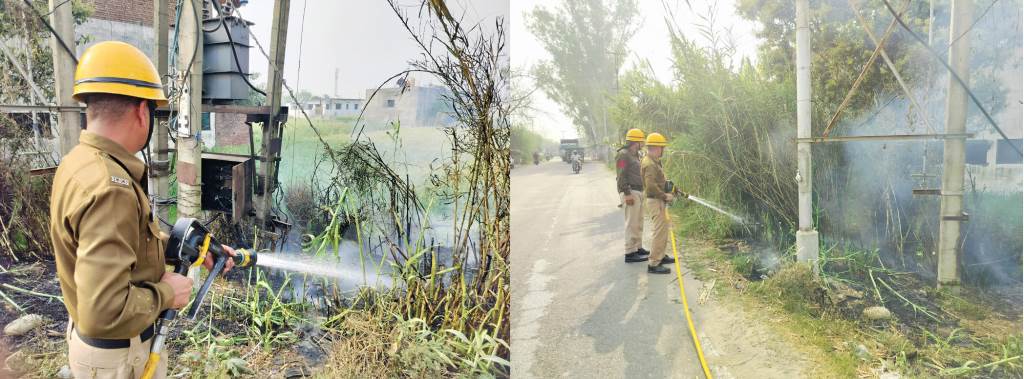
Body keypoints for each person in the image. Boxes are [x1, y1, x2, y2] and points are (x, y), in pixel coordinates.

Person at [49, 41, 236, 379]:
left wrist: (191, 249)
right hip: (118, 360)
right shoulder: (111, 188)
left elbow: (123, 241)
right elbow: (103, 311)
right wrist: (168, 293)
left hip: (101, 353)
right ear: (140, 111)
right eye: (154, 111)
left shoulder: (79, 163)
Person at [641, 132, 676, 274]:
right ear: (656, 147)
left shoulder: (653, 161)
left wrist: (671, 189)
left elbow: (659, 181)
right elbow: (650, 186)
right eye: (662, 147)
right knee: (659, 231)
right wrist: (664, 196)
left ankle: (661, 256)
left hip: (658, 200)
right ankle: (654, 263)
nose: (663, 150)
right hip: (656, 201)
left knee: (663, 230)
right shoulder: (649, 164)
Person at [616, 128, 650, 263]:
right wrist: (627, 193)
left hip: (639, 191)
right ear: (636, 142)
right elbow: (621, 174)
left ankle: (637, 247)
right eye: (641, 141)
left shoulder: (636, 154)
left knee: (639, 221)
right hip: (630, 192)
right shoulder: (623, 155)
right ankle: (630, 252)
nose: (643, 143)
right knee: (631, 223)